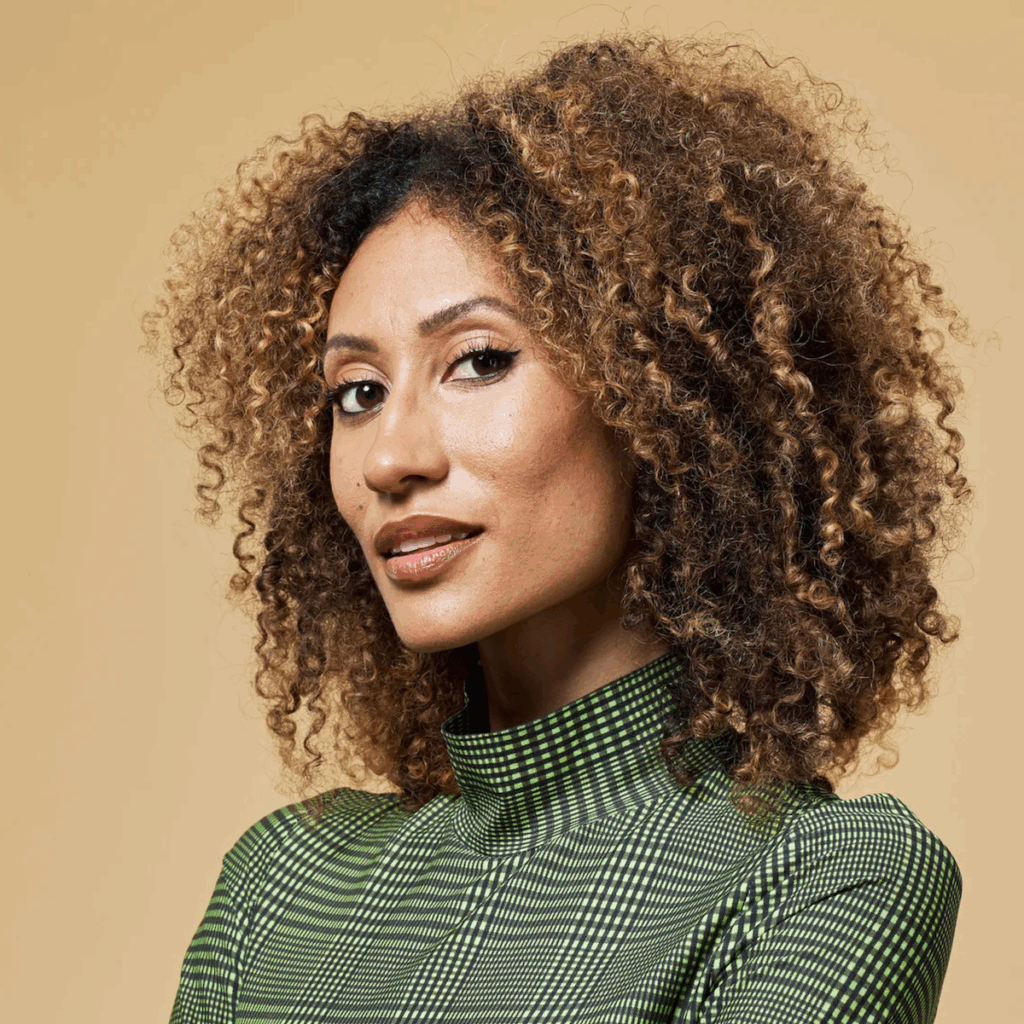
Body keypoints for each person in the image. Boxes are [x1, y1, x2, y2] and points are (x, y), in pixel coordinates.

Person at [146, 31, 973, 1024]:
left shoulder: (825, 883)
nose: (388, 456)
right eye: (357, 391)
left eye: (479, 361)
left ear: (664, 401)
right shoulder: (278, 891)